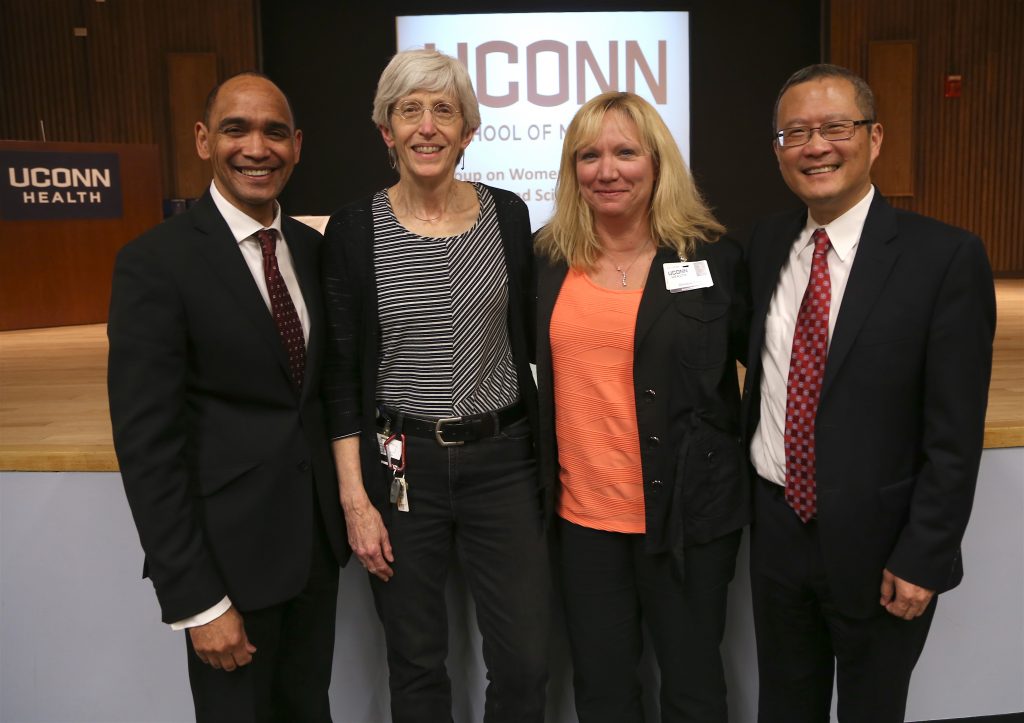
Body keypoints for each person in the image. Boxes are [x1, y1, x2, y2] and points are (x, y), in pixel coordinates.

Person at [743, 63, 996, 722]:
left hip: (883, 549)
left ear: (875, 138)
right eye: (794, 132)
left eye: (834, 127)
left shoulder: (944, 258)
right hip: (777, 532)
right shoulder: (767, 243)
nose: (814, 146)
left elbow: (955, 432)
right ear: (778, 150)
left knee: (871, 710)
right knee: (784, 706)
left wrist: (925, 554)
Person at [107, 72, 347, 722]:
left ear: (297, 145)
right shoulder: (154, 264)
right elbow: (147, 447)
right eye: (237, 128)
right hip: (227, 572)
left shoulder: (310, 248)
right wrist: (197, 600)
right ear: (204, 139)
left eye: (274, 131)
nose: (257, 147)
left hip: (312, 558)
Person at [321, 49, 549, 723]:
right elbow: (339, 373)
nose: (427, 126)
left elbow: (529, 337)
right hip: (402, 470)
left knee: (526, 662)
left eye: (444, 110)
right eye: (409, 110)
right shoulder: (354, 228)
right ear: (386, 130)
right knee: (417, 662)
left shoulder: (508, 216)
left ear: (468, 131)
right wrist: (355, 499)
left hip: (503, 461)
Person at [534, 91, 749, 722]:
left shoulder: (713, 259)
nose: (607, 170)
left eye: (626, 152)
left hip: (690, 514)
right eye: (589, 155)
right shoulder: (545, 261)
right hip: (583, 521)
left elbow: (765, 369)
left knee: (692, 687)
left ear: (657, 162)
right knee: (603, 690)